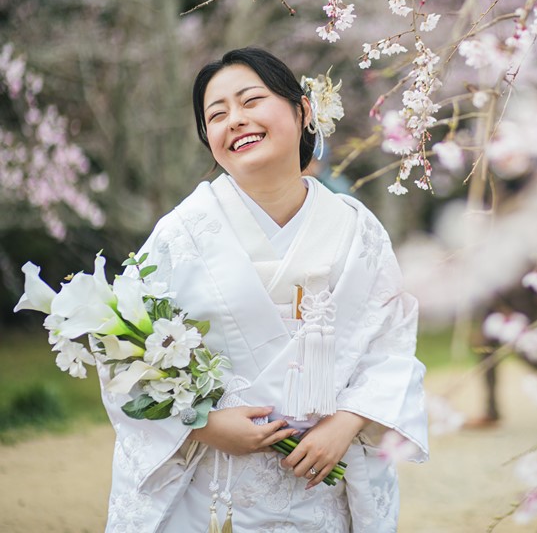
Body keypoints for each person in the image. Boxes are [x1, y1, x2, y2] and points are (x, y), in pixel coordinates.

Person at [99, 47, 429, 533]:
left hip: (321, 486)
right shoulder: (182, 234)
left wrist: (348, 422)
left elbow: (392, 344)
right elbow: (122, 351)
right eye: (216, 114)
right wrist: (207, 425)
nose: (235, 120)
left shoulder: (358, 229)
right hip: (211, 485)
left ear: (302, 110)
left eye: (251, 100)